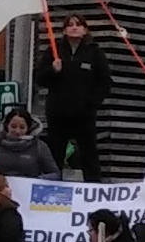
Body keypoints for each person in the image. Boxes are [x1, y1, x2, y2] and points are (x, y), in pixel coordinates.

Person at [42, 17, 114, 178]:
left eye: (78, 24)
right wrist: (52, 70)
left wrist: (92, 103)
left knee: (89, 154)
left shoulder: (94, 52)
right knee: (55, 153)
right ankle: (52, 188)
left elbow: (105, 81)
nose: (74, 28)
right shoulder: (54, 51)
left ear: (85, 30)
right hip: (58, 113)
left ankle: (93, 190)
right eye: (70, 25)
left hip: (84, 114)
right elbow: (40, 79)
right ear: (64, 30)